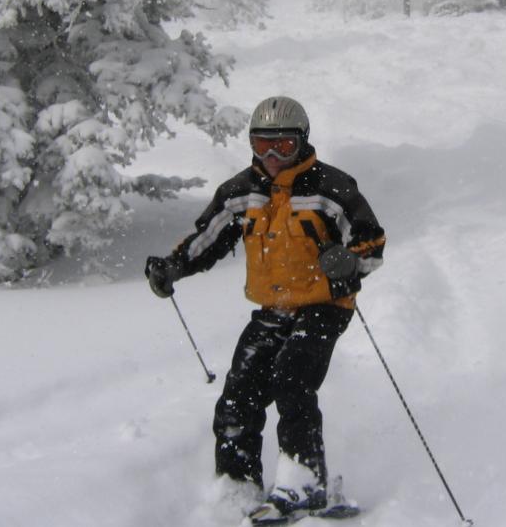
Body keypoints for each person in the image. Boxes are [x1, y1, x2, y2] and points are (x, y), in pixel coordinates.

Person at [145, 96, 386, 523]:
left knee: (292, 379)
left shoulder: (331, 189)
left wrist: (349, 264)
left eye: (284, 147)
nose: (272, 157)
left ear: (302, 143)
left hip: (324, 305)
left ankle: (303, 483)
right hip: (272, 307)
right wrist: (172, 267)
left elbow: (371, 244)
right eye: (261, 145)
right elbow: (208, 238)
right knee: (239, 394)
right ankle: (238, 485)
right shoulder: (242, 191)